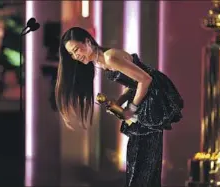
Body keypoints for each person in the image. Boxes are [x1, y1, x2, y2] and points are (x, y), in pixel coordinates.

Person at [55, 27, 184, 187]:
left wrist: (132, 108)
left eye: (76, 50)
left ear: (87, 41)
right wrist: (119, 101)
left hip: (153, 99)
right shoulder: (101, 62)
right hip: (146, 100)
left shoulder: (109, 58)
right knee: (141, 161)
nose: (76, 56)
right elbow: (133, 82)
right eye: (72, 54)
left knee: (142, 160)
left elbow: (145, 79)